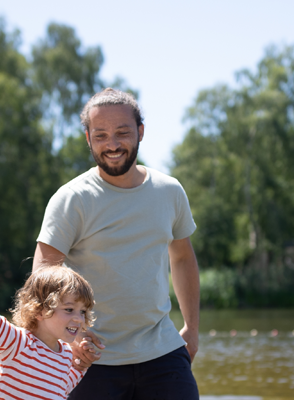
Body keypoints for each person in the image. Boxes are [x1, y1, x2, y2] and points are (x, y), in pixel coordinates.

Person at [38, 88, 201, 399]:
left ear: (140, 132)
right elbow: (44, 273)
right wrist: (70, 340)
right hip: (89, 358)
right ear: (87, 138)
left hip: (162, 353)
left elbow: (182, 258)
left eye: (122, 133)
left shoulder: (170, 191)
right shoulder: (72, 198)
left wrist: (191, 331)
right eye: (100, 135)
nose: (112, 144)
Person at [0, 251, 96, 400]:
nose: (79, 319)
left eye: (82, 311)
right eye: (69, 309)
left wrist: (81, 366)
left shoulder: (66, 355)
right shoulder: (18, 343)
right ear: (39, 310)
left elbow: (60, 390)